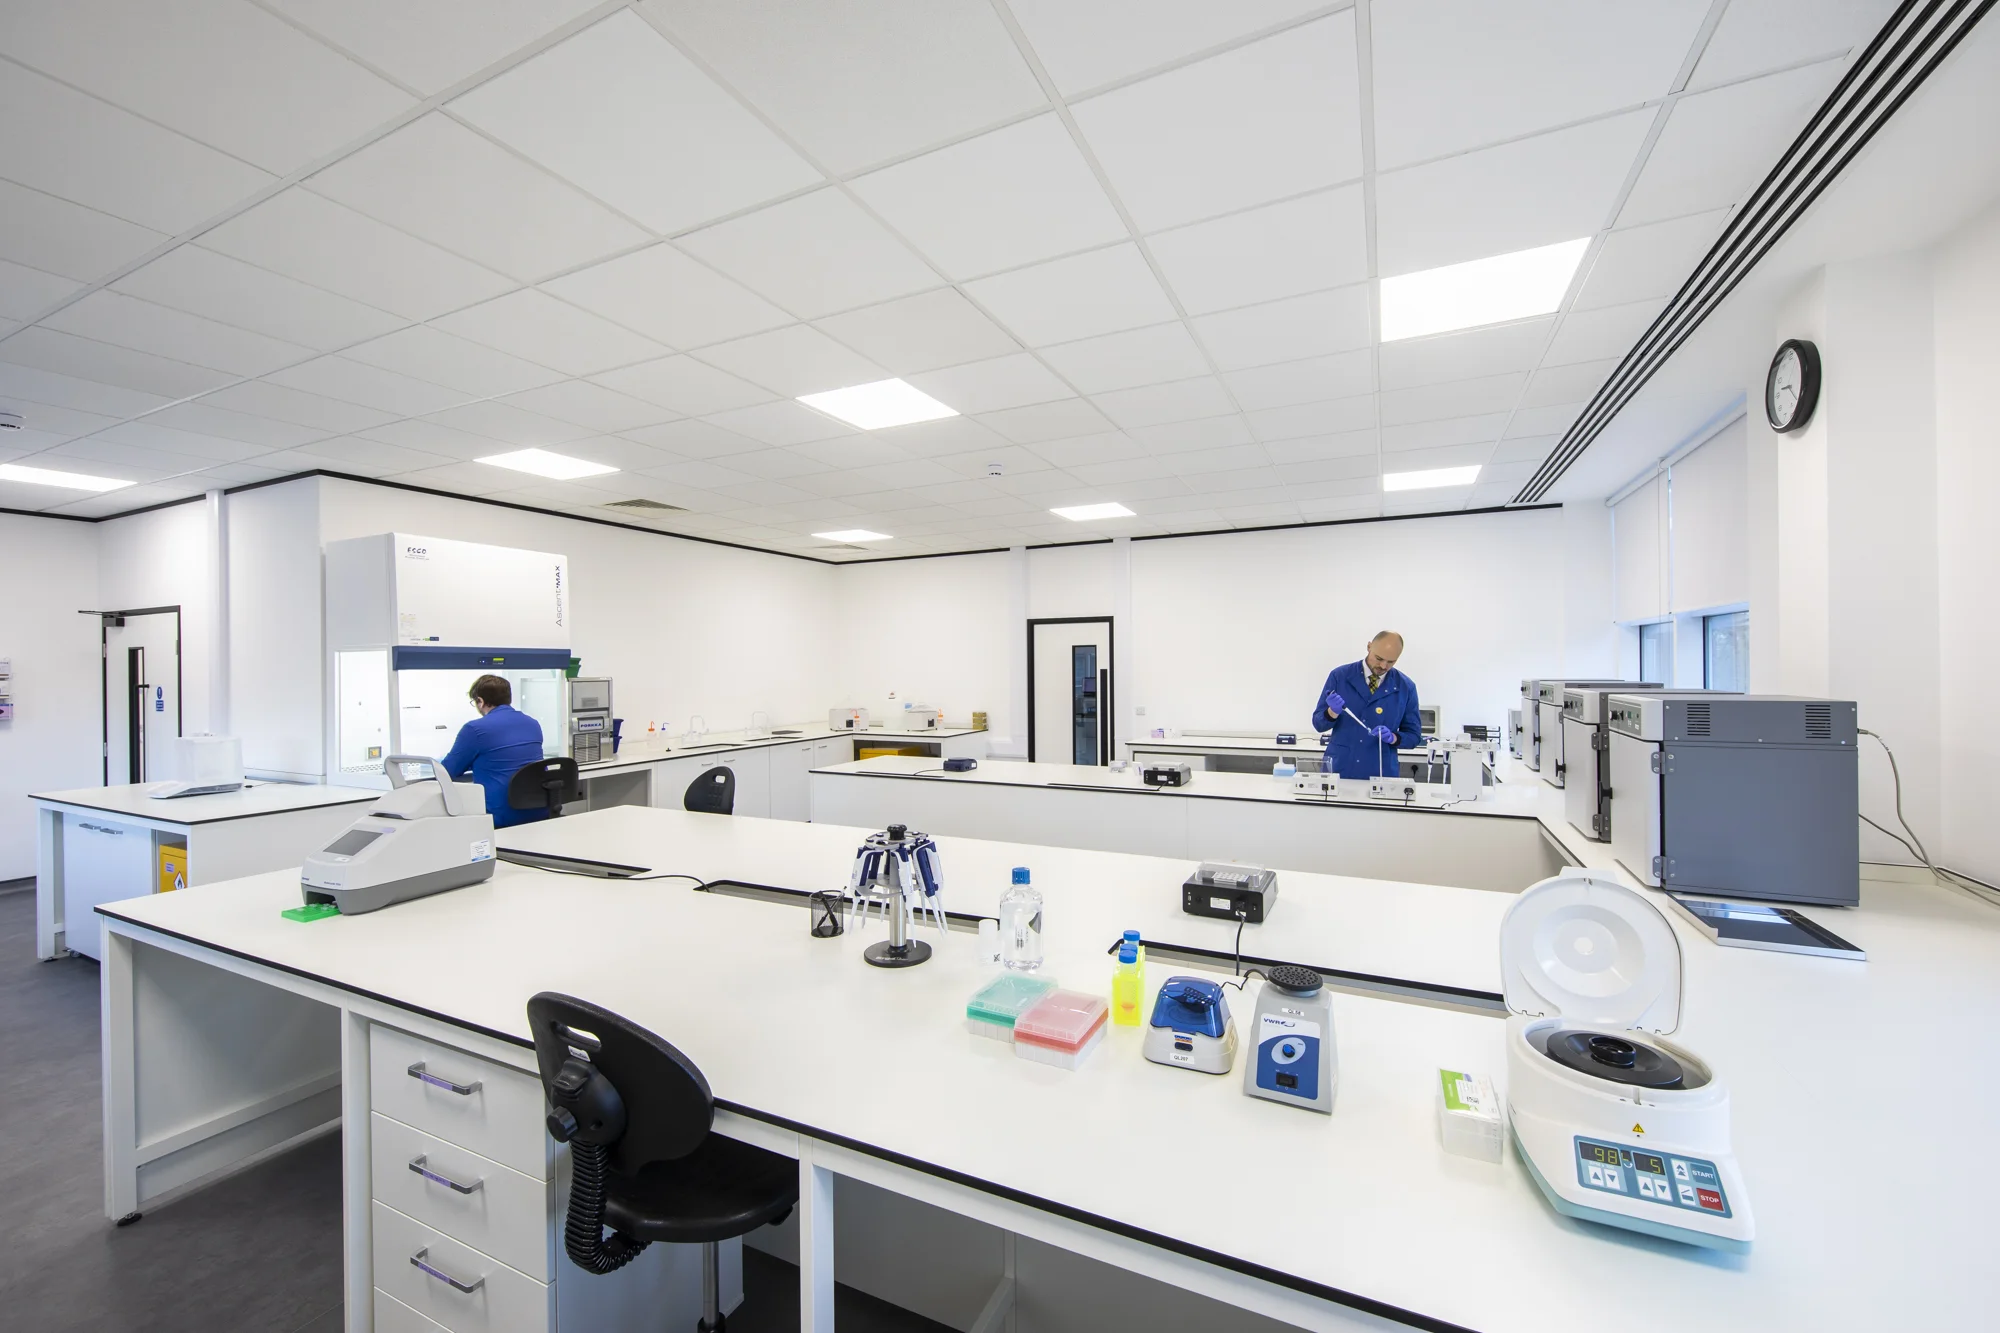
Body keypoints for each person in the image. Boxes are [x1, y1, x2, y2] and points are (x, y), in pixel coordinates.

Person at [439, 674, 549, 829]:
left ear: (481, 701)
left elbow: (449, 770)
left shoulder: (474, 729)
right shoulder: (532, 723)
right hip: (538, 811)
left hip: (499, 816)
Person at [1311, 631, 1424, 780]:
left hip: (1381, 771)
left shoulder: (1406, 687)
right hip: (1341, 768)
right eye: (1379, 658)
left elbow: (1414, 736)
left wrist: (1394, 738)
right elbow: (1318, 724)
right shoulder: (1340, 676)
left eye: (1391, 662)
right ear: (1369, 646)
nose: (1383, 666)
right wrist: (1332, 712)